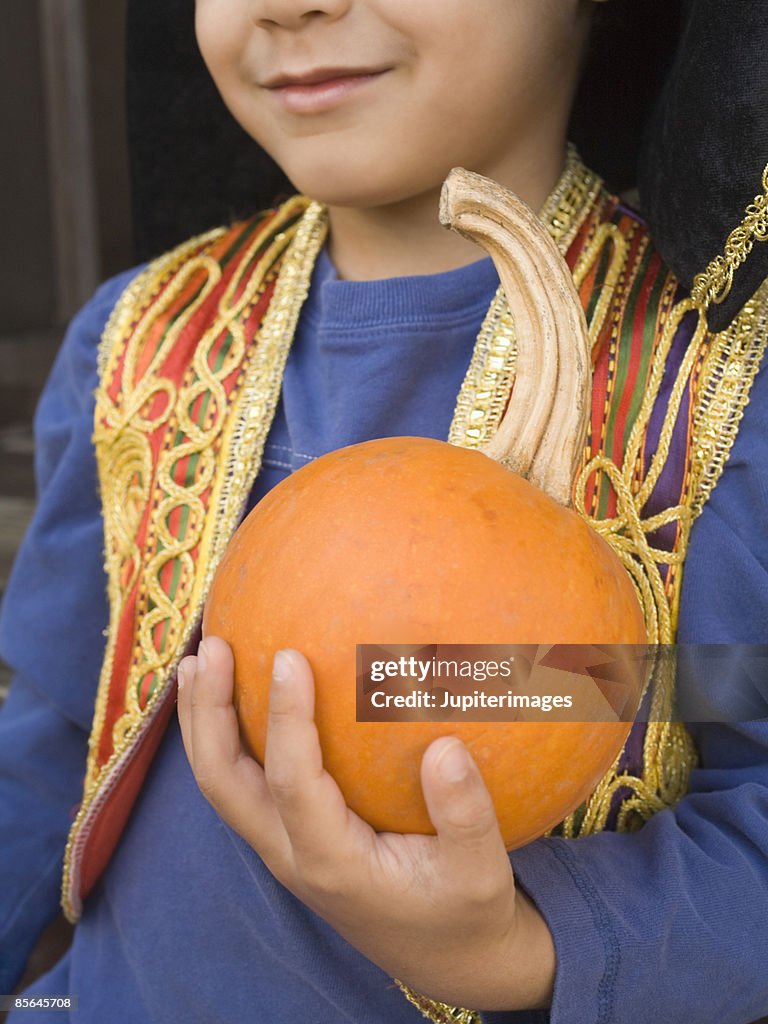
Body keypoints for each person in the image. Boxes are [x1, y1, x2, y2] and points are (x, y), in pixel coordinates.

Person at [1, 1, 767, 1022]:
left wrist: (520, 949)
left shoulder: (709, 400)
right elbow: (53, 735)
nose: (289, 2)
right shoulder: (139, 346)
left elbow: (719, 741)